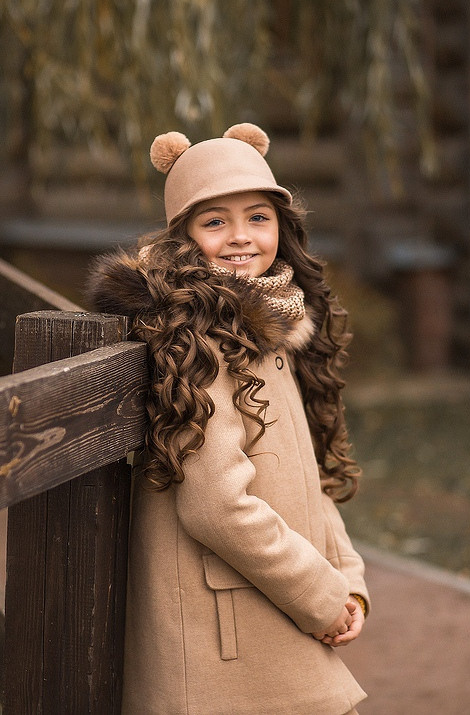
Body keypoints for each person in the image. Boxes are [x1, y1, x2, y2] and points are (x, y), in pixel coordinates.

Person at [87, 123, 369, 714]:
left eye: (258, 217)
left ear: (282, 228)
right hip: (224, 633)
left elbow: (304, 478)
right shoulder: (197, 342)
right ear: (184, 238)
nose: (242, 237)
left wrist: (348, 583)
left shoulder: (272, 325)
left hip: (268, 603)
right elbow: (217, 505)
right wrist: (320, 596)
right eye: (215, 221)